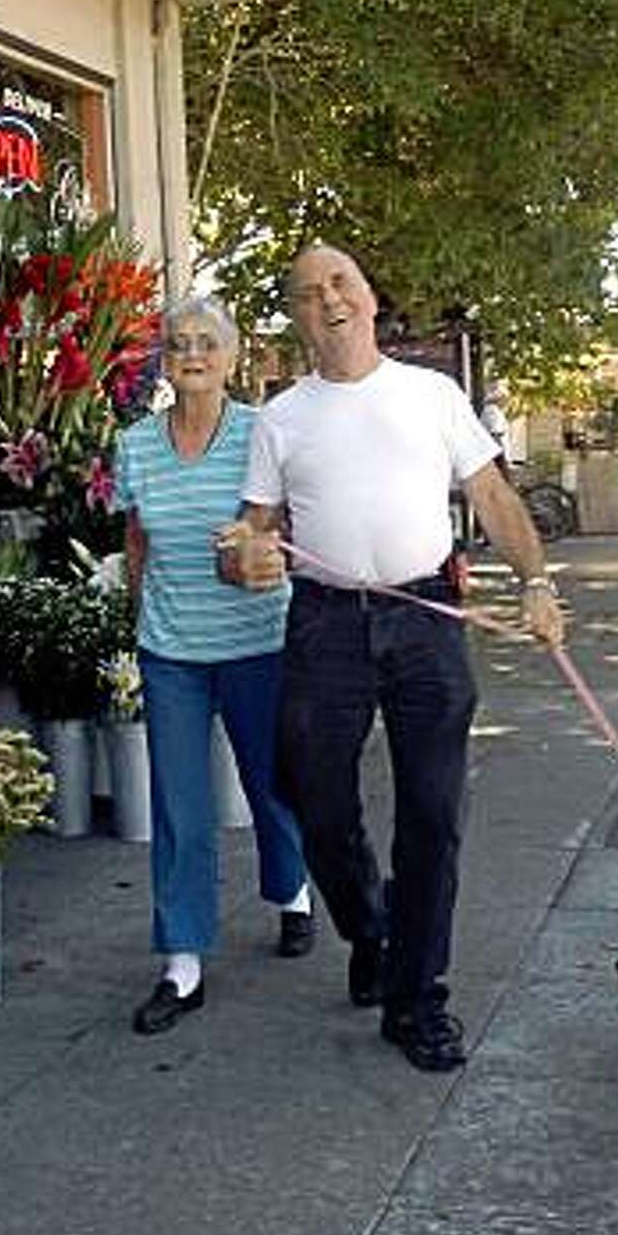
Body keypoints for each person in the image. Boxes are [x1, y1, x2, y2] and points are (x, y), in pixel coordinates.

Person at [223, 242, 566, 1073]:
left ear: (371, 297)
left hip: (425, 621)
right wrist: (242, 560)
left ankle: (417, 998)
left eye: (341, 282)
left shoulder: (432, 394)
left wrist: (536, 582)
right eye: (308, 293)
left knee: (432, 815)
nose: (329, 300)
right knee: (312, 798)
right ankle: (372, 926)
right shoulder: (280, 418)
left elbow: (493, 495)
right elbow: (248, 534)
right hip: (325, 626)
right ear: (297, 318)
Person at [113, 295, 315, 1034]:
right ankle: (183, 960)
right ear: (164, 360)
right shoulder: (136, 444)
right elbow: (137, 538)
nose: (192, 354)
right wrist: (137, 620)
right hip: (171, 650)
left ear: (231, 356)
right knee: (179, 806)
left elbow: (293, 528)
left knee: (272, 784)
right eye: (178, 344)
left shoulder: (263, 433)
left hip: (258, 641)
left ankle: (291, 889)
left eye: (207, 342)